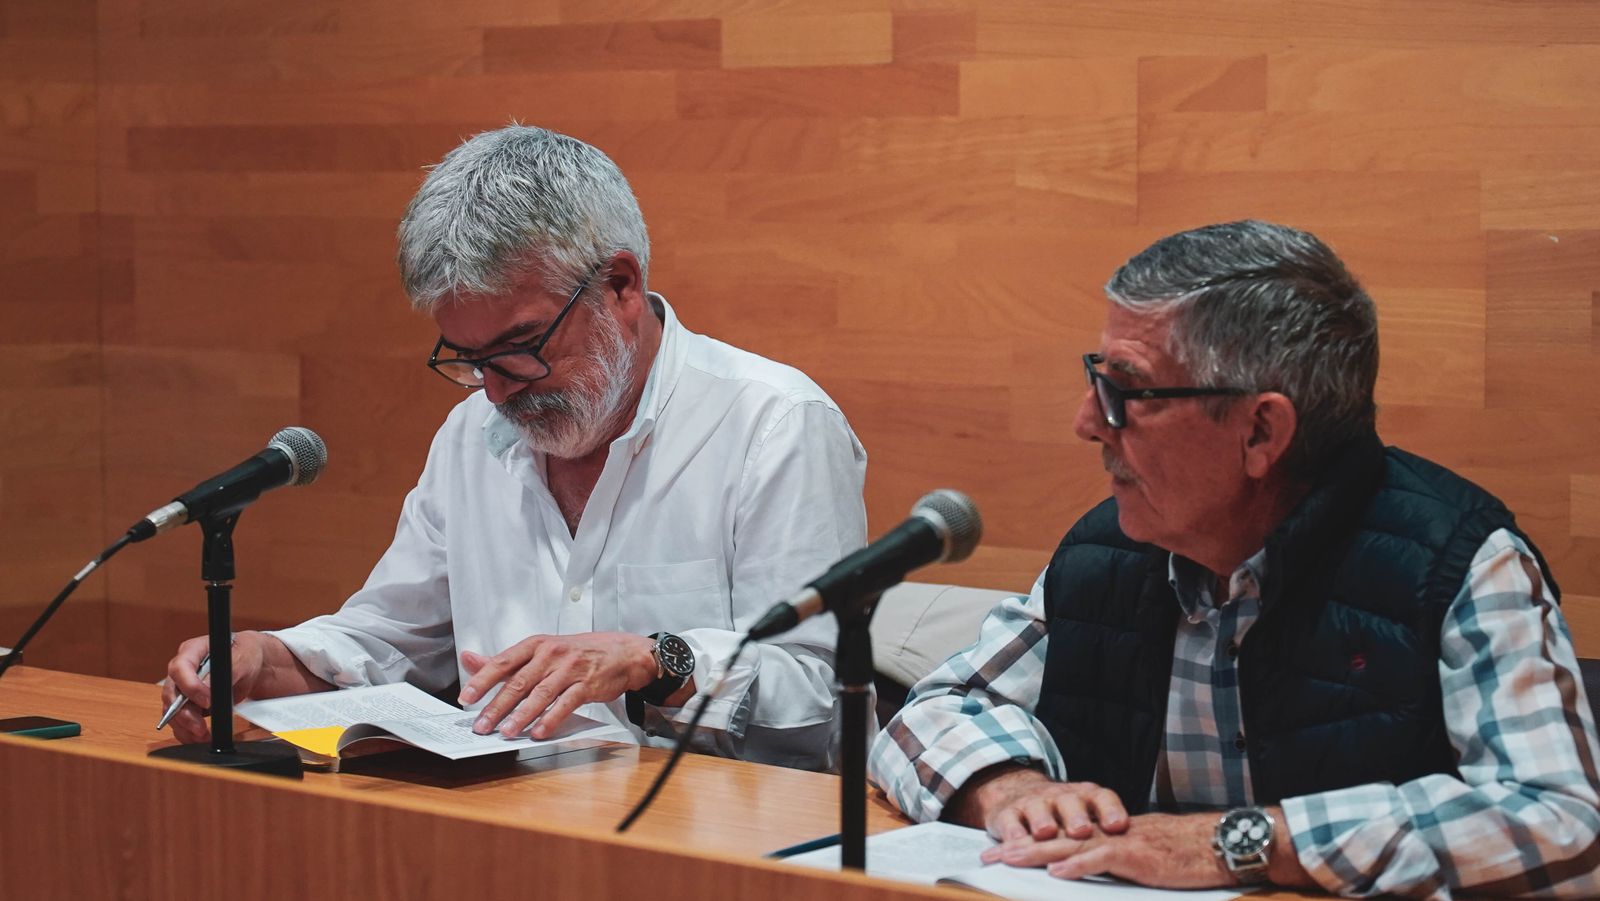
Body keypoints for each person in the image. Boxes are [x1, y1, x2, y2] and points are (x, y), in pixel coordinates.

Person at [868, 220, 1600, 896]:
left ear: (1260, 432)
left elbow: (1561, 823)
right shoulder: (1112, 549)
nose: (1087, 421)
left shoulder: (1456, 560)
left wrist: (1239, 842)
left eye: (1128, 391)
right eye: (1097, 379)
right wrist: (1009, 786)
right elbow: (931, 712)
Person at [162, 125, 867, 770]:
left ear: (620, 285)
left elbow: (822, 696)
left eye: (521, 346)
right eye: (469, 357)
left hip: (704, 833)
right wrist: (263, 660)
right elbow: (392, 638)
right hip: (508, 820)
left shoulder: (774, 424)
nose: (496, 391)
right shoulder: (472, 434)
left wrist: (658, 662)